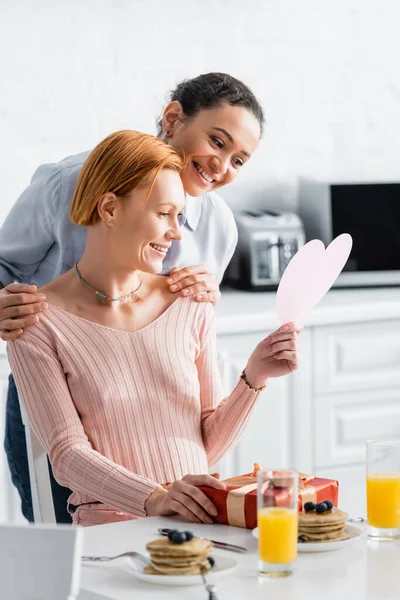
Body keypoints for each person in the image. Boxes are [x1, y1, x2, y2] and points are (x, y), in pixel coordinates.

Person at [0, 72, 265, 522]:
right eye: (217, 142)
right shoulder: (70, 183)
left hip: (164, 435)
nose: (222, 166)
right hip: (60, 403)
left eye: (239, 160)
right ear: (173, 118)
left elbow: (191, 356)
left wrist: (208, 299)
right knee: (64, 562)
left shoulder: (219, 225)